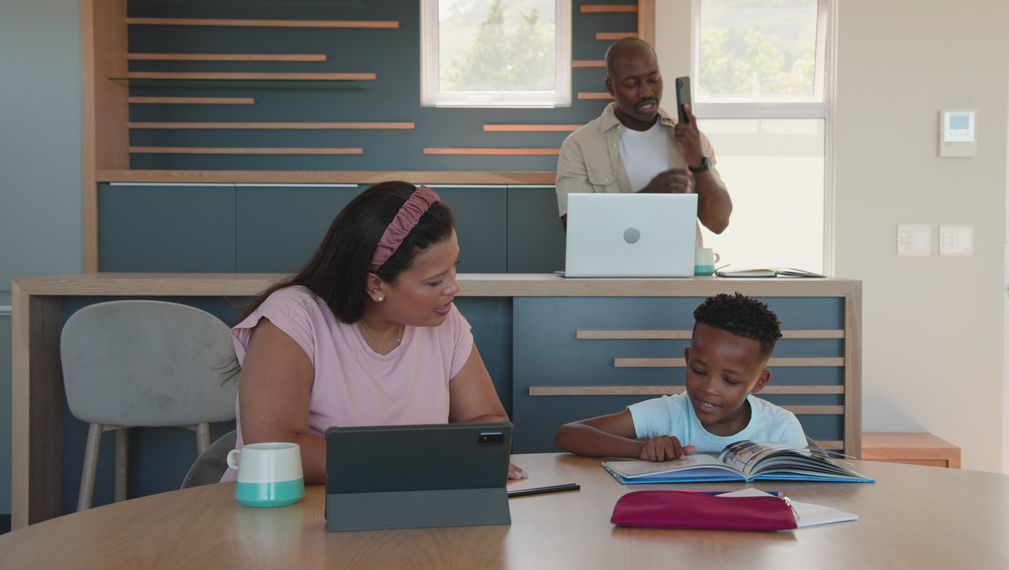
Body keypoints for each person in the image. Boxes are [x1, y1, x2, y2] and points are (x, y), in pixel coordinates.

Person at [222, 181, 526, 483]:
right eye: (434, 281)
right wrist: (432, 458)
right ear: (375, 285)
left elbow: (490, 426)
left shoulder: (445, 322)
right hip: (287, 515)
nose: (453, 287)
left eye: (453, 267)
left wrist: (470, 454)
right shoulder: (292, 319)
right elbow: (274, 450)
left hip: (405, 512)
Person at [554, 293, 807, 461]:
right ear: (687, 358)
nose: (709, 388)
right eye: (698, 371)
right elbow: (569, 433)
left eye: (730, 381)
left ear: (759, 382)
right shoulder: (668, 412)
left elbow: (806, 493)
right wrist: (641, 448)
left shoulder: (781, 428)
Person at [555, 37, 733, 234]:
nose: (647, 91)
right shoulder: (579, 146)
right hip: (617, 265)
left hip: (681, 265)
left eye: (653, 79)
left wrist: (698, 165)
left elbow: (718, 223)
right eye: (632, 84)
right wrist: (649, 196)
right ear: (611, 87)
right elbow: (577, 230)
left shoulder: (691, 140)